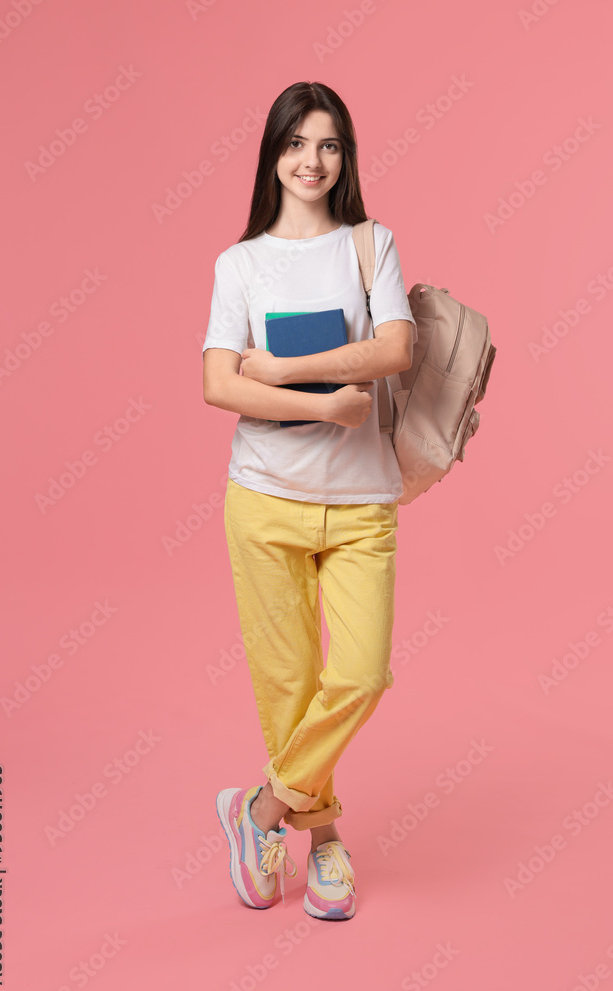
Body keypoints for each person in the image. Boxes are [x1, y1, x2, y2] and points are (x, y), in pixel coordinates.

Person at [202, 80, 417, 920]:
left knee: (359, 676)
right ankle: (324, 843)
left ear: (345, 157)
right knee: (288, 685)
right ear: (272, 154)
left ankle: (257, 811)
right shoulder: (240, 263)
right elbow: (218, 384)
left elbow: (394, 348)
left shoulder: (370, 245)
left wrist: (285, 371)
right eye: (296, 143)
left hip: (361, 502)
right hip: (262, 500)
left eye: (328, 145)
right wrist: (323, 402)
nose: (311, 161)